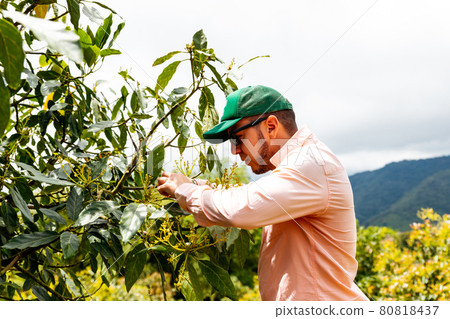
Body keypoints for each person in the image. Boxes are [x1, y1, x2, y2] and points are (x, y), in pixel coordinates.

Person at [157, 85, 368, 301]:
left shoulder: (311, 163)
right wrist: (192, 184)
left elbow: (239, 209)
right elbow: (249, 196)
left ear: (270, 126)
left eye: (238, 138)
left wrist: (185, 190)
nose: (235, 150)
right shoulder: (298, 166)